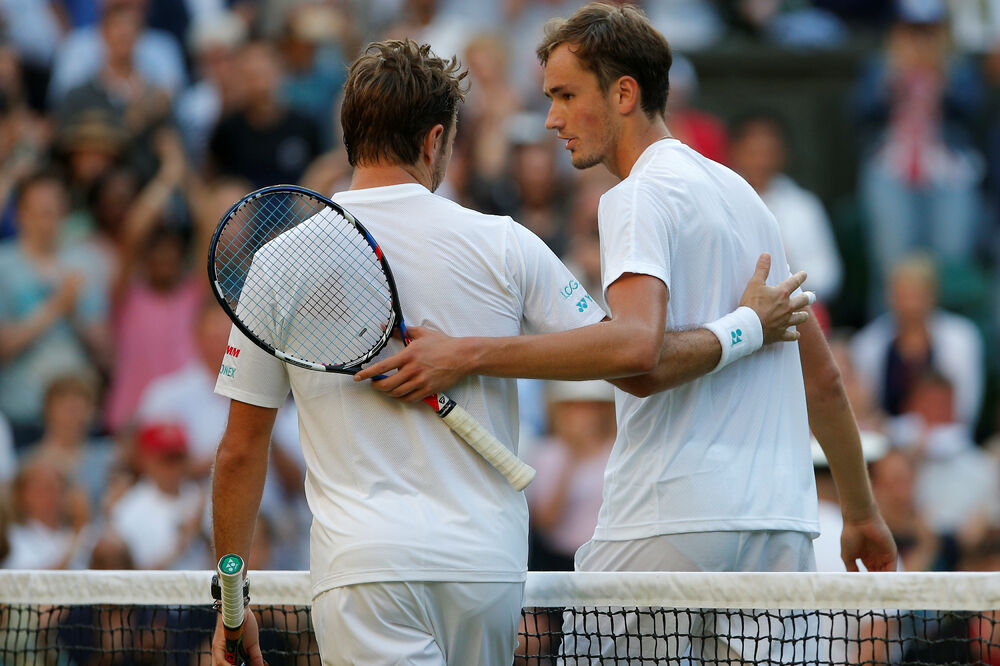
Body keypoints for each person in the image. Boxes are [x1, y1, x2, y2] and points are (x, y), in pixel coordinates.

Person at [210, 38, 805, 666]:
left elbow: (241, 452)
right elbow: (634, 358)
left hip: (365, 567)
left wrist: (230, 603)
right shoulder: (504, 242)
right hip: (487, 569)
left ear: (351, 133)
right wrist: (744, 327)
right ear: (436, 140)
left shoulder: (277, 263)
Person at [357, 4, 896, 661]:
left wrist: (467, 354)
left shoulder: (636, 196)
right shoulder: (748, 199)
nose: (551, 118)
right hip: (777, 528)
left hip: (668, 521)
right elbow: (825, 380)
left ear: (623, 93)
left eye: (564, 96)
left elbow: (637, 351)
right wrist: (864, 515)